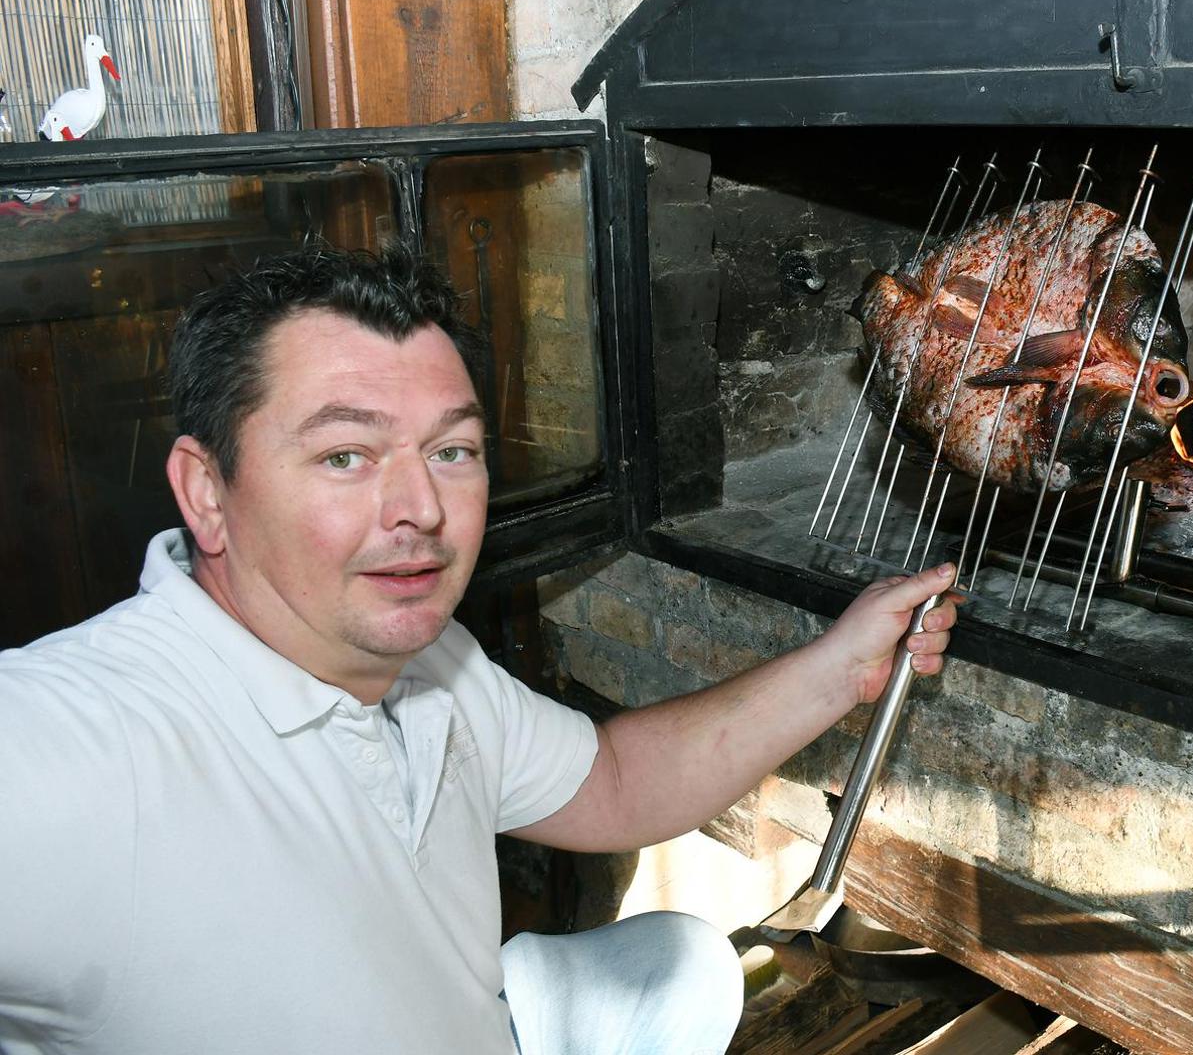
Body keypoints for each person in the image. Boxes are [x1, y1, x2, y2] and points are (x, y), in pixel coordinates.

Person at [0, 246, 959, 1055]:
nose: (421, 508)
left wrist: (842, 666)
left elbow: (616, 783)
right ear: (206, 492)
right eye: (346, 456)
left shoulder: (430, 664)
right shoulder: (80, 743)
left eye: (452, 450)